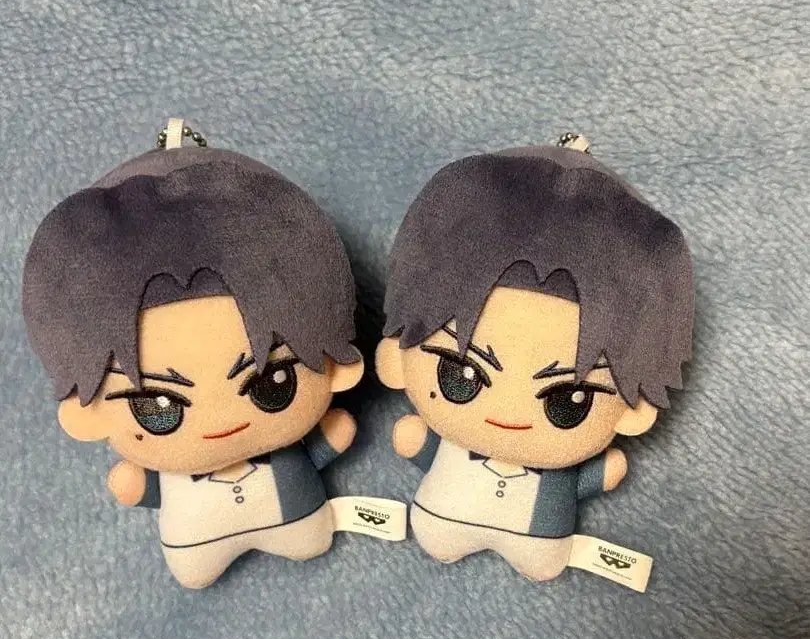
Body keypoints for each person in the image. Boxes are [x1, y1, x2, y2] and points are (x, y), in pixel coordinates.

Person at [23, 143, 364, 588]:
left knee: (306, 538)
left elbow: (326, 443)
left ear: (338, 365)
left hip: (298, 519)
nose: (220, 425)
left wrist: (328, 442)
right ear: (85, 416)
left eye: (271, 384)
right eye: (158, 408)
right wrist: (141, 487)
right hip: (198, 543)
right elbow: (143, 488)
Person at [376, 141, 693, 581]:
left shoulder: (563, 468)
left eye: (568, 401)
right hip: (445, 522)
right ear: (394, 360)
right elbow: (420, 444)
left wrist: (599, 475)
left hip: (539, 542)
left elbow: (590, 478)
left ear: (633, 412)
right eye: (461, 376)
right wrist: (420, 444)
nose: (509, 416)